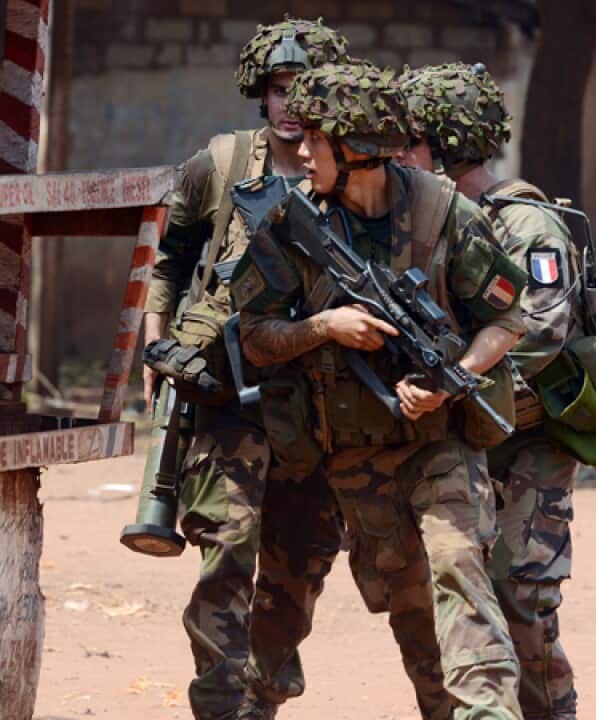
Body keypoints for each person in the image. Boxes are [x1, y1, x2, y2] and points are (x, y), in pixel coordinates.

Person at [231, 62, 529, 719]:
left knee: (456, 567)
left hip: (434, 444)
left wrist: (455, 380)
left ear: (357, 147)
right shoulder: (289, 221)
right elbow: (254, 335)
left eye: (315, 138)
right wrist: (322, 326)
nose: (300, 151)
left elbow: (509, 317)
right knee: (294, 603)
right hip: (327, 448)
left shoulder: (443, 211)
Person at [137, 18, 350, 720]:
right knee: (226, 550)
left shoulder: (352, 175)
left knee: (300, 566)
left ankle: (264, 697)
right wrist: (156, 336)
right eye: (279, 89)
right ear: (260, 92)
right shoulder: (222, 163)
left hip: (315, 399)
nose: (290, 104)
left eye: (304, 91)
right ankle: (220, 706)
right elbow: (167, 258)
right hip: (227, 392)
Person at [399, 62, 596, 720]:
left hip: (533, 433)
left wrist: (459, 383)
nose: (396, 155)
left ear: (447, 145)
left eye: (409, 140)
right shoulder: (428, 221)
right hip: (467, 429)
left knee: (522, 594)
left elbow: (542, 335)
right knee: (454, 592)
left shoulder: (527, 227)